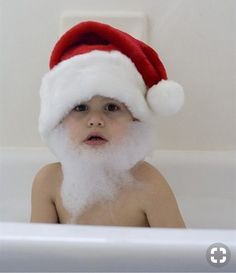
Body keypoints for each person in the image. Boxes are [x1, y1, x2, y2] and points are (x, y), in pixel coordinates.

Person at [30, 21, 185, 227]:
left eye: (111, 107)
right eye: (80, 107)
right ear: (59, 120)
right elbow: (36, 254)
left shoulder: (148, 185)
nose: (95, 120)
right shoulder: (49, 182)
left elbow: (179, 254)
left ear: (135, 120)